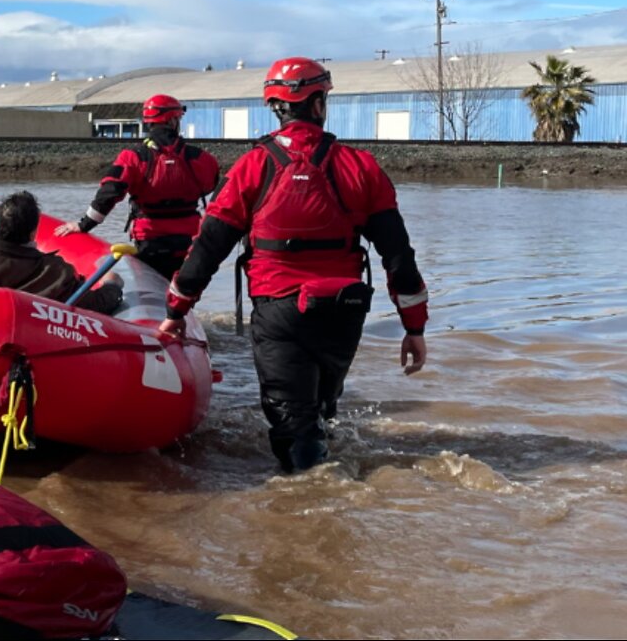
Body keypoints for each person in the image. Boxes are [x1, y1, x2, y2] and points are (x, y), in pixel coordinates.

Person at [158, 57, 429, 474]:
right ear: (319, 103)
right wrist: (414, 328)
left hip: (279, 310)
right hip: (345, 310)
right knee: (324, 407)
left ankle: (308, 503)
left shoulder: (252, 167)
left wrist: (177, 310)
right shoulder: (361, 166)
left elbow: (209, 246)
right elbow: (399, 255)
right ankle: (338, 493)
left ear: (276, 107)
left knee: (293, 424)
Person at [55, 94, 219, 279]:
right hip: (189, 243)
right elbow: (213, 188)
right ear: (173, 120)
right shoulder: (202, 159)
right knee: (183, 295)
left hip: (149, 243)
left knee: (152, 291)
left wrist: (83, 225)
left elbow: (108, 194)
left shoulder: (133, 157)